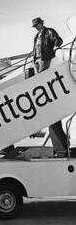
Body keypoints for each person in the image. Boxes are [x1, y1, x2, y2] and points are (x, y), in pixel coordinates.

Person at [31, 17, 67, 156]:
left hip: (46, 58)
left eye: (37, 25)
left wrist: (56, 45)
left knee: (42, 76)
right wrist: (34, 58)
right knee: (38, 75)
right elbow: (35, 48)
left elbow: (58, 39)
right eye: (35, 27)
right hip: (38, 59)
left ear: (42, 24)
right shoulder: (37, 36)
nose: (36, 28)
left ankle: (41, 89)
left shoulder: (49, 32)